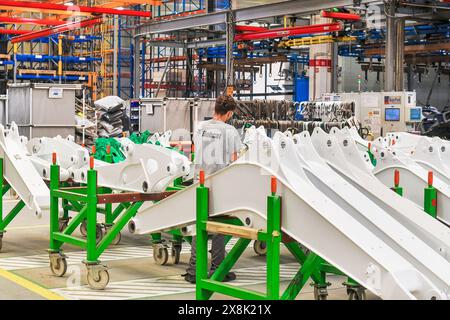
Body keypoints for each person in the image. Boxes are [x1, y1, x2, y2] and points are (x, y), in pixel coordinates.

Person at [184, 95, 243, 284]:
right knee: (219, 228)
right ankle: (218, 270)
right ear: (229, 113)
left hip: (199, 181)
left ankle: (194, 271)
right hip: (219, 183)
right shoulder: (231, 131)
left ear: (214, 109)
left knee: (198, 225)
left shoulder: (200, 127)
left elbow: (196, 149)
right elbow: (236, 158)